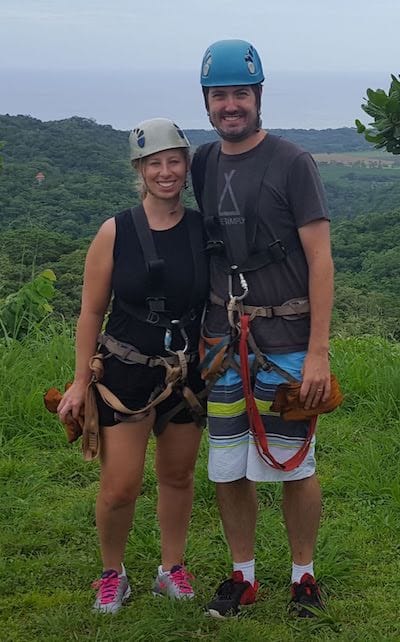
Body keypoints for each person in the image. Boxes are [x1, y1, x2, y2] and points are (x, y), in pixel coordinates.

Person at [191, 39, 334, 618]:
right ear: (206, 103)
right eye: (220, 95)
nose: (231, 105)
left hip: (288, 341)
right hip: (223, 341)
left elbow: (320, 258)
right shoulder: (200, 163)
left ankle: (303, 575)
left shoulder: (292, 163)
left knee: (296, 461)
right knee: (228, 464)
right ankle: (242, 573)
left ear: (258, 97)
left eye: (240, 95)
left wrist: (319, 351)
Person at [57, 118, 208, 614]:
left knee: (178, 475)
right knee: (121, 485)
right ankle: (112, 572)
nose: (165, 172)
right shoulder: (115, 231)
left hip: (184, 371)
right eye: (153, 164)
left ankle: (171, 567)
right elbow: (91, 311)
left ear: (186, 167)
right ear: (139, 171)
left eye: (173, 161)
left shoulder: (200, 231)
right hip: (124, 370)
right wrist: (80, 383)